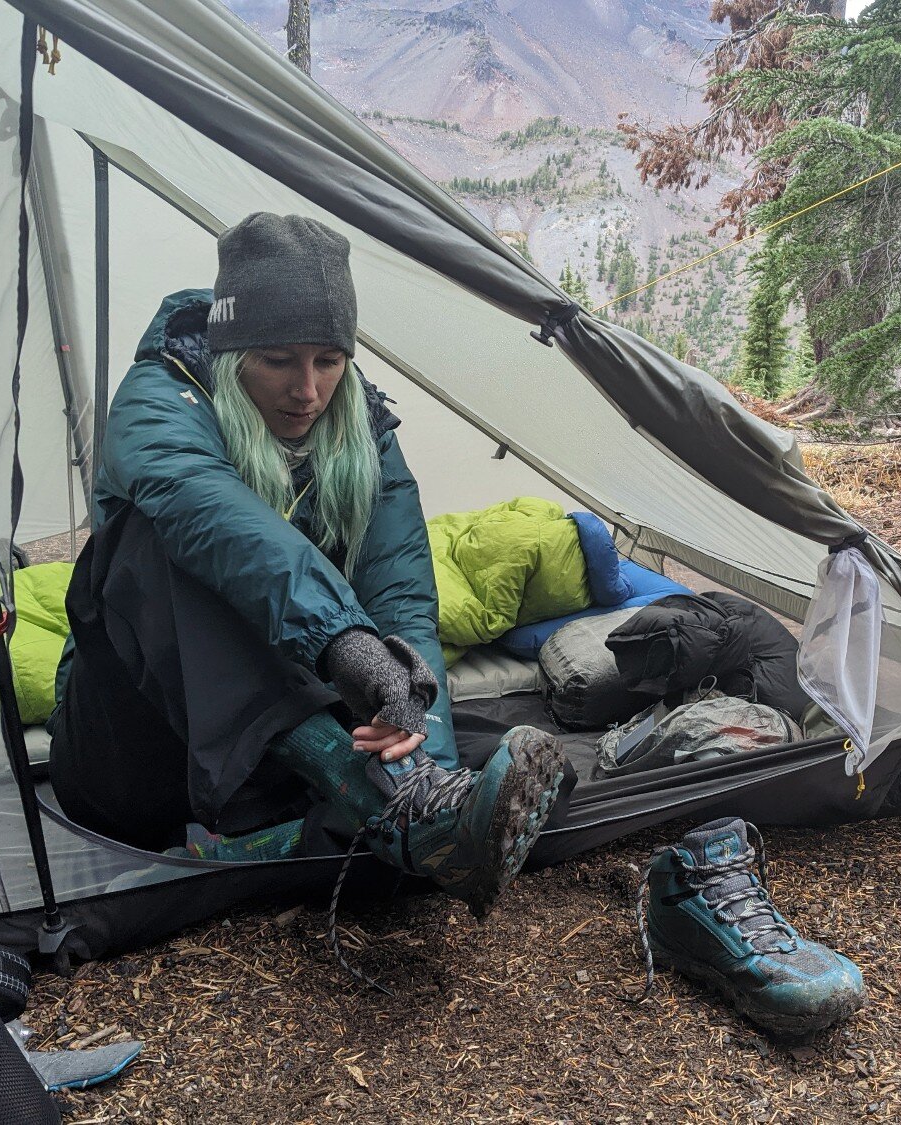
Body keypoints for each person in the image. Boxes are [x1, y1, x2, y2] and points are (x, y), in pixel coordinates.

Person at [48, 212, 564, 917]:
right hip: (133, 752)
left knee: (466, 754)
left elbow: (402, 597)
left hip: (269, 763)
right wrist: (344, 643)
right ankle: (379, 808)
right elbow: (209, 511)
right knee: (149, 541)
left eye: (328, 359)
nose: (308, 390)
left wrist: (423, 755)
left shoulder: (365, 435)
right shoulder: (159, 396)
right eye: (279, 360)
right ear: (232, 352)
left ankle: (384, 818)